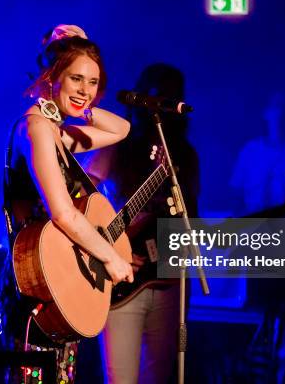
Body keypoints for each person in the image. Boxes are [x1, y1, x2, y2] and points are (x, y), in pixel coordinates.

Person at [0, 25, 134, 384]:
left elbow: (121, 130)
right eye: (76, 78)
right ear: (53, 75)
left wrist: (80, 105)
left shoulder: (57, 132)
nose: (86, 90)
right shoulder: (37, 127)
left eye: (93, 83)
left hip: (58, 283)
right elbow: (63, 213)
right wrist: (109, 256)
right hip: (33, 287)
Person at [85, 63, 200, 384]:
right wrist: (105, 244)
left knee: (161, 376)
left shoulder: (185, 156)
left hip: (170, 281)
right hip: (122, 281)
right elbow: (79, 197)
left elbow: (193, 217)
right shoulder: (118, 146)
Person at [231, 91, 285, 215]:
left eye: (284, 107)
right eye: (276, 106)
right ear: (265, 113)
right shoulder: (250, 151)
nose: (279, 112)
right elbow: (236, 191)